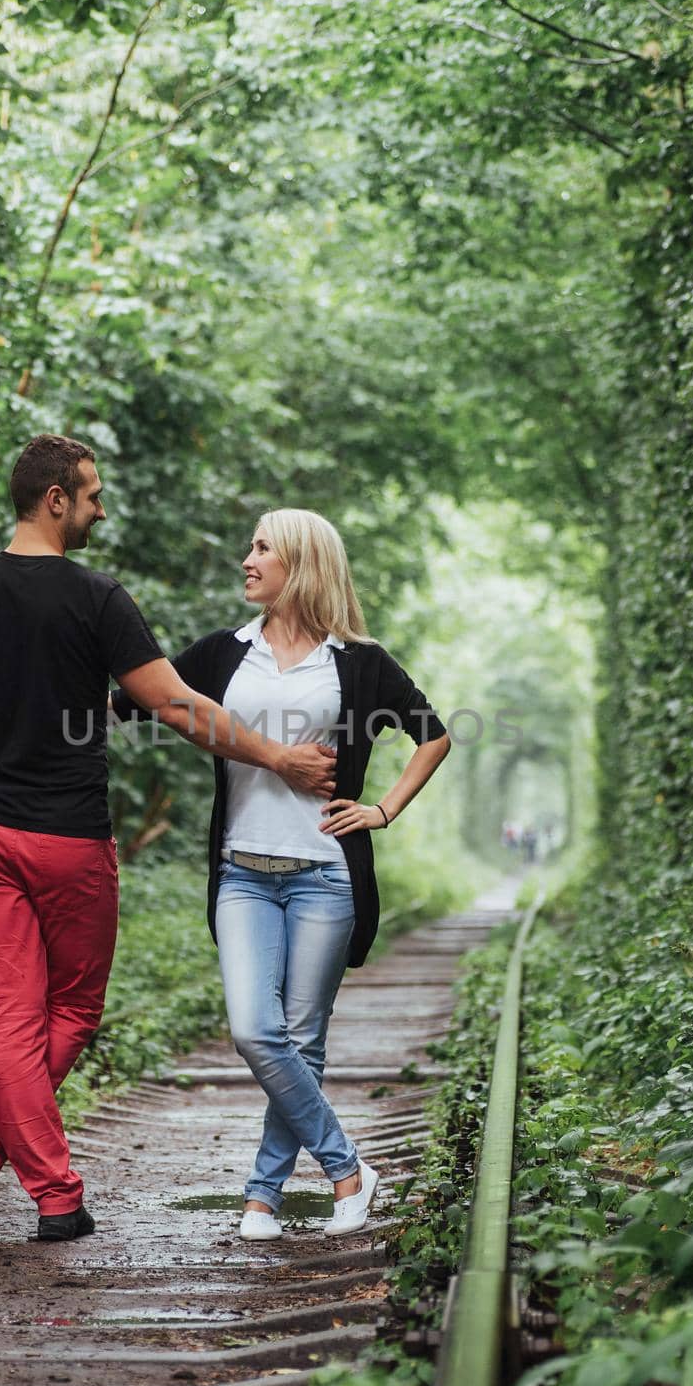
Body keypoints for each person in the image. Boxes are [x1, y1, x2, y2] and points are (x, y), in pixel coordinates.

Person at [0, 437, 335, 1243]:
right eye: (92, 495)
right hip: (67, 842)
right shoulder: (98, 599)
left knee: (10, 1017)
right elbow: (174, 705)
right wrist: (277, 756)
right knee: (70, 1011)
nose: (101, 509)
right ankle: (56, 1198)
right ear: (55, 499)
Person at [112, 509, 450, 1240]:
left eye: (262, 548)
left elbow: (434, 734)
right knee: (255, 1030)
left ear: (300, 563)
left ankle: (262, 1197)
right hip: (242, 871)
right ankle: (349, 1169)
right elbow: (130, 699)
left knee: (301, 1039)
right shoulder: (221, 654)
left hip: (327, 875)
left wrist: (382, 811)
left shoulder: (358, 662)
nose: (247, 559)